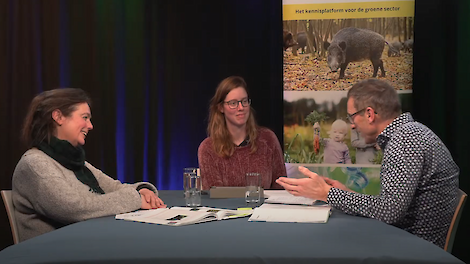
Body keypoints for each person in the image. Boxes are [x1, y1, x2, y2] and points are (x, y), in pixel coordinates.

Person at [276, 79, 459, 248]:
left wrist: (327, 193)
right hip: (410, 242)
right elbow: (390, 206)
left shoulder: (405, 140)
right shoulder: (410, 133)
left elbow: (390, 211)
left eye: (351, 117)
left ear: (369, 114)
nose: (352, 126)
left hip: (411, 249)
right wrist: (343, 193)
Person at [12, 88, 166, 242]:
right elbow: (73, 209)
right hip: (57, 253)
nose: (90, 125)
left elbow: (113, 187)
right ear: (58, 117)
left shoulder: (75, 161)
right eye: (84, 117)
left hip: (86, 244)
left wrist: (141, 190)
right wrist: (135, 198)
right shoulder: (35, 163)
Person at [198, 76, 286, 190]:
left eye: (244, 101)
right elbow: (213, 194)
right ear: (221, 108)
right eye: (233, 103)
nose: (241, 107)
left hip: (264, 207)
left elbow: (280, 187)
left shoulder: (268, 139)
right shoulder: (208, 148)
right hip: (226, 208)